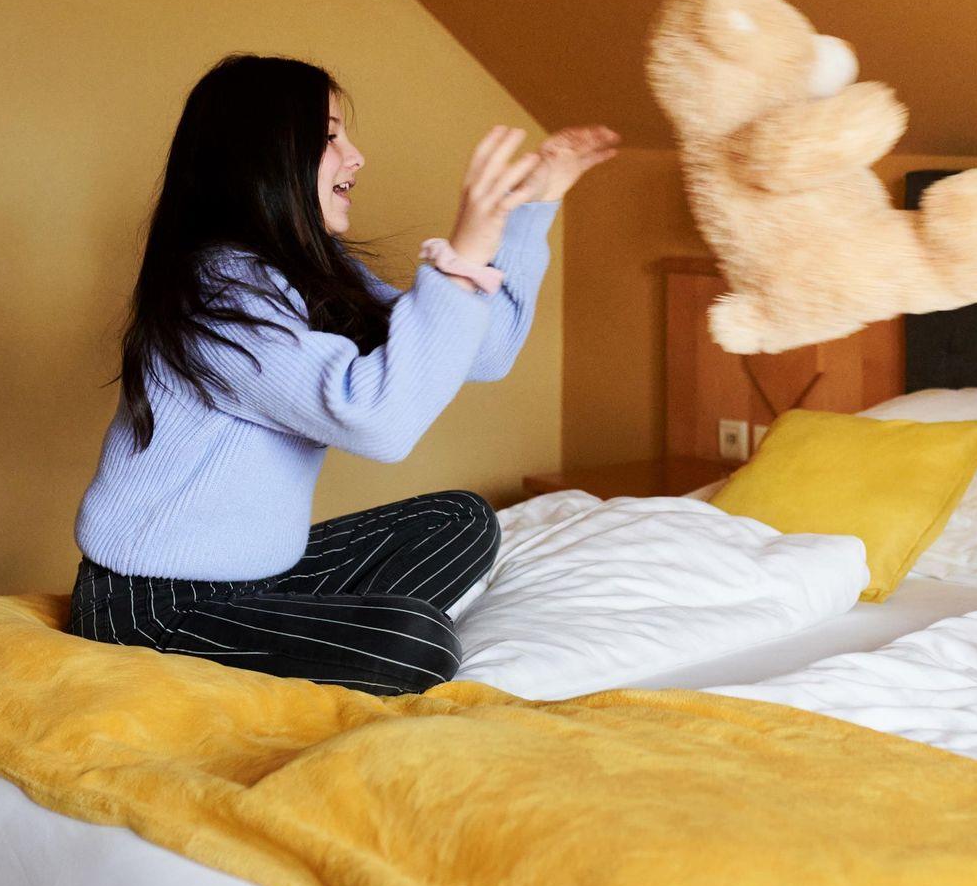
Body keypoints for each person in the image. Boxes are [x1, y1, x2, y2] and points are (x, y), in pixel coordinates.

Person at [69, 53, 616, 694]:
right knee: (417, 644)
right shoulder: (217, 289)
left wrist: (531, 209)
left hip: (258, 578)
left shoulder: (315, 270)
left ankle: (307, 644)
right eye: (330, 137)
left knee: (461, 519)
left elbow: (483, 352)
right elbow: (378, 422)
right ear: (264, 156)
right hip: (151, 607)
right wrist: (462, 254)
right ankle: (322, 651)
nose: (355, 157)